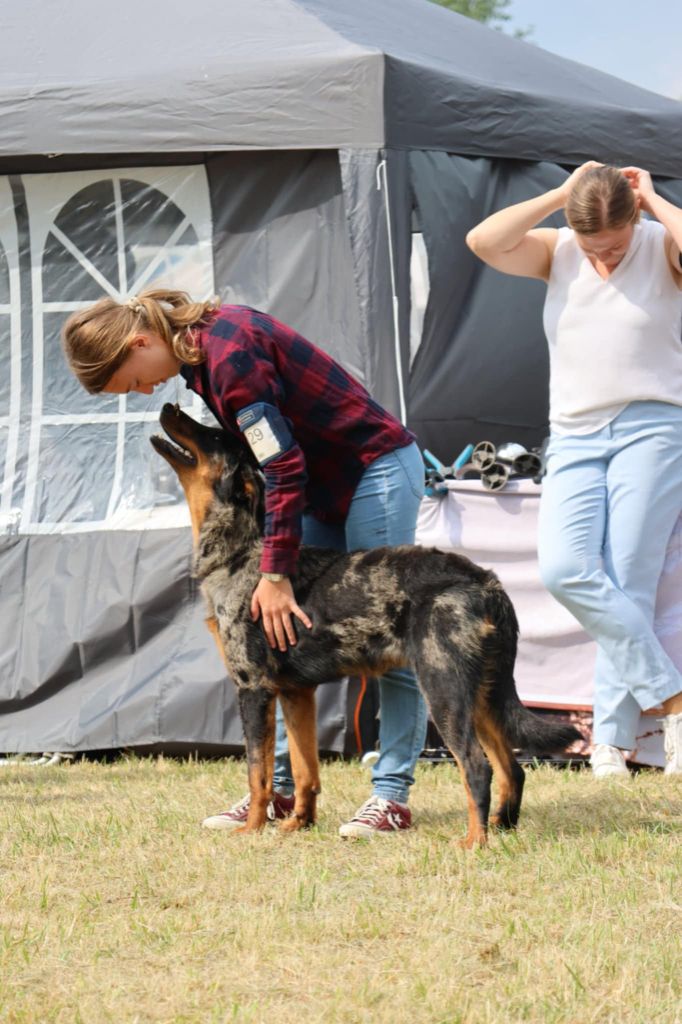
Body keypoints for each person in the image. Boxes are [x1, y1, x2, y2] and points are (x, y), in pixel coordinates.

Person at [63, 292, 428, 832]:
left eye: (134, 380)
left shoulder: (229, 355)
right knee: (275, 634)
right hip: (316, 486)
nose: (146, 390)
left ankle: (391, 796)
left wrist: (275, 572)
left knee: (390, 634)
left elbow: (280, 466)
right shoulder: (194, 358)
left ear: (139, 342)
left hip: (372, 471)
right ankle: (278, 790)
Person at [466, 162, 682, 777]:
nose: (604, 258)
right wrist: (563, 193)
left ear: (633, 220)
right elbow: (484, 241)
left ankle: (611, 743)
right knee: (567, 569)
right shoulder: (559, 250)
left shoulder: (660, 243)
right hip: (575, 434)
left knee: (630, 578)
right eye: (594, 247)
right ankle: (673, 700)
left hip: (654, 425)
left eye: (613, 245)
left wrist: (656, 201)